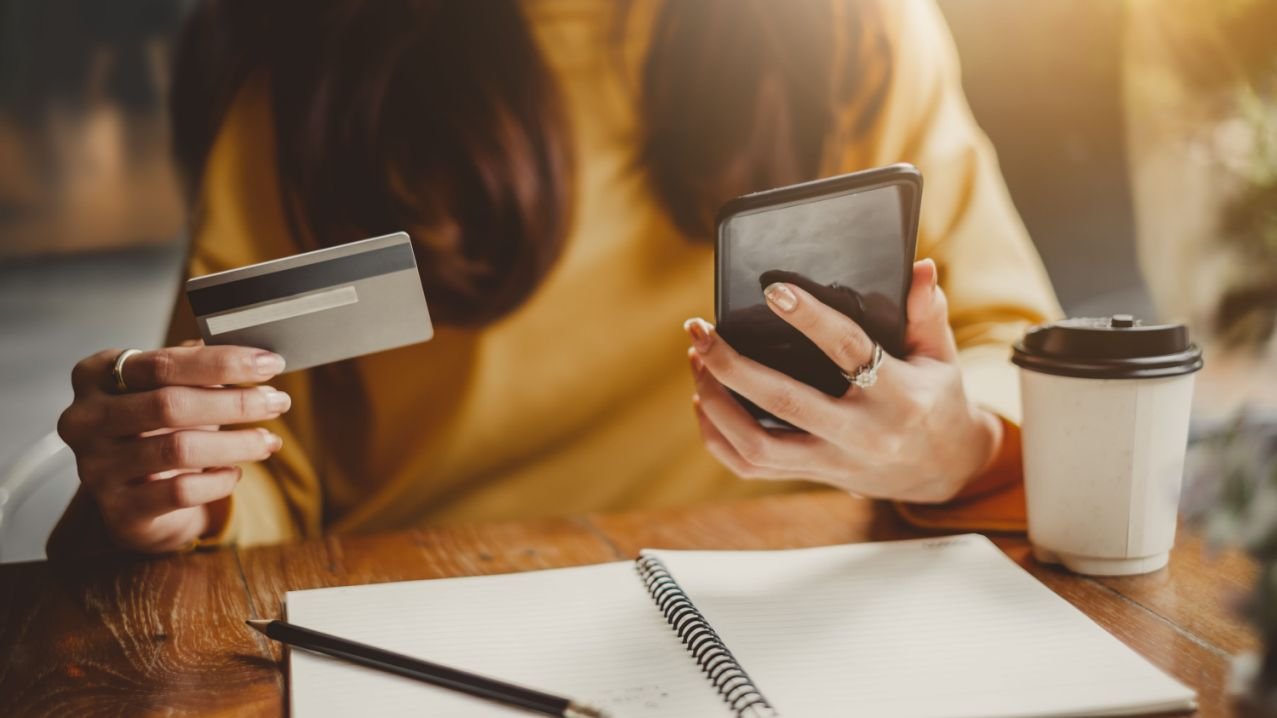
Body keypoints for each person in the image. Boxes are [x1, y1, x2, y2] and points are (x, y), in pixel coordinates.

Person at [51, 0, 1060, 555]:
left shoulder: (861, 32)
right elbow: (257, 457)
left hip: (801, 603)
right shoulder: (304, 86)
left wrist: (953, 448)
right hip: (411, 619)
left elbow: (1017, 353)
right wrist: (191, 491)